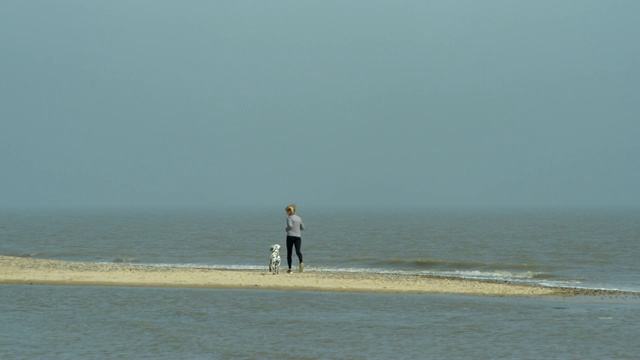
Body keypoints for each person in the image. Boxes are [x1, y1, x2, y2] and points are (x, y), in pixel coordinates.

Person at [285, 204, 305, 273]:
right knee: (298, 251)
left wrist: (286, 229)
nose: (286, 213)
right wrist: (297, 230)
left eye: (286, 212)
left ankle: (290, 269)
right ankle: (301, 262)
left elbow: (290, 226)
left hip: (290, 236)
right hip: (298, 237)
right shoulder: (299, 218)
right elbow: (303, 227)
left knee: (289, 253)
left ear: (289, 211)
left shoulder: (289, 218)